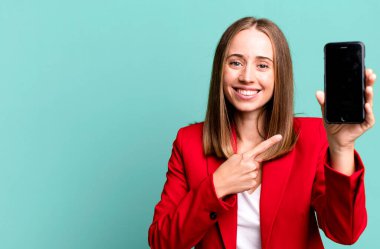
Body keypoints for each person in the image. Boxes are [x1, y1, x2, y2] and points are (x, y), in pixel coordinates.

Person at [148, 17, 376, 249]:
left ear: (280, 75)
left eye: (263, 65)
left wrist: (342, 148)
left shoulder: (312, 136)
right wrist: (217, 187)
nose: (247, 77)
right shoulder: (189, 142)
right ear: (220, 70)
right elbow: (161, 242)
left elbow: (345, 233)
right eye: (235, 63)